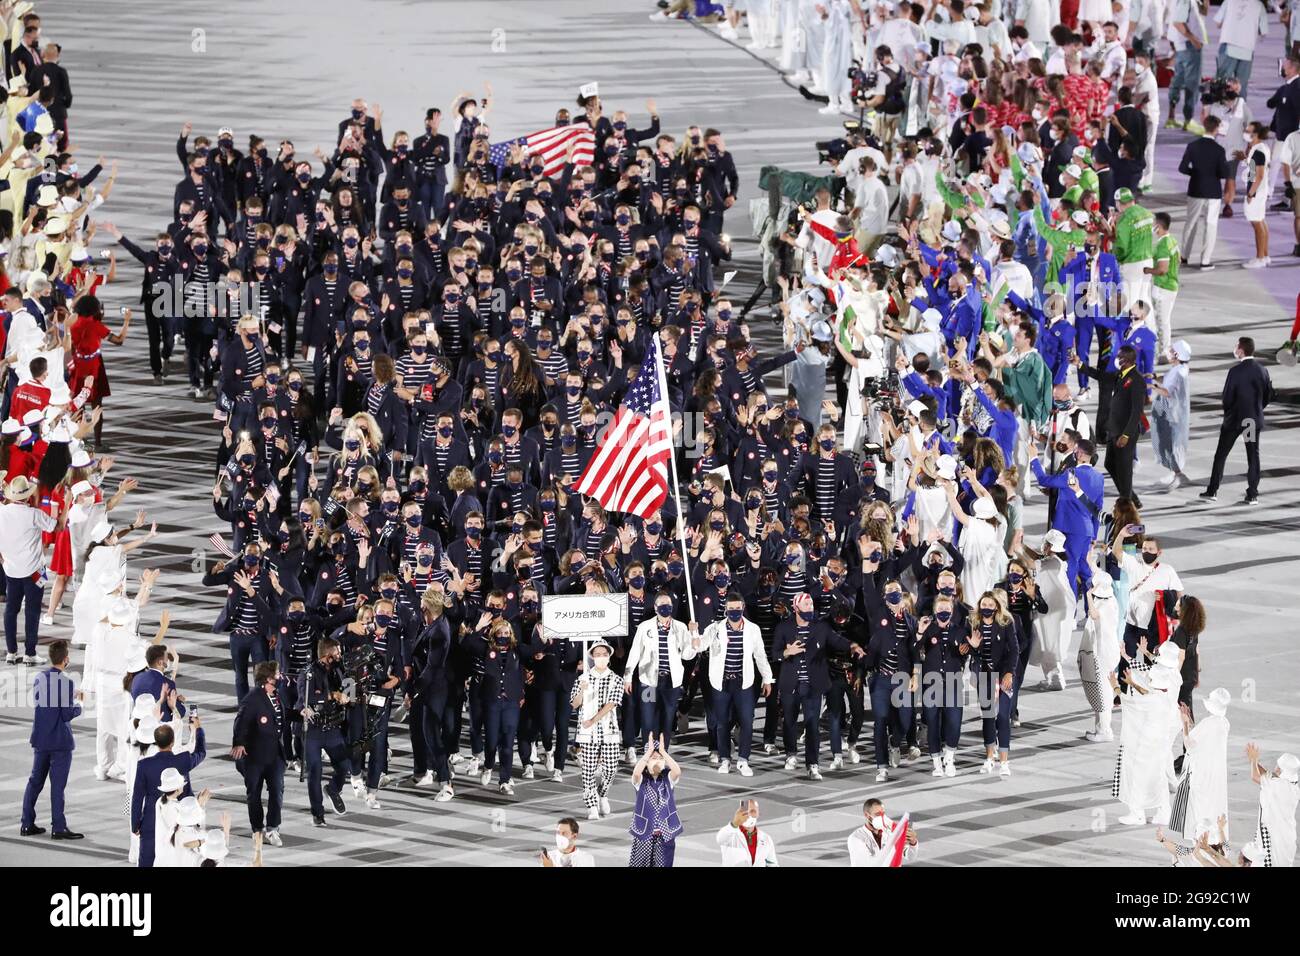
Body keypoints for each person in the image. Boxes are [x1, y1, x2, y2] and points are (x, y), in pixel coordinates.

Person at [699, 592, 774, 777]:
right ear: (725, 609)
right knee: (721, 723)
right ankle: (725, 759)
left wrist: (767, 678)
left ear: (742, 608)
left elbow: (760, 655)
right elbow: (699, 646)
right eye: (730, 609)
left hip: (744, 682)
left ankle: (743, 760)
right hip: (721, 682)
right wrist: (694, 633)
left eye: (737, 609)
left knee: (747, 721)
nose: (734, 612)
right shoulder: (715, 628)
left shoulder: (753, 629)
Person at [19, 640, 84, 840]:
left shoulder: (39, 677)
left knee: (34, 782)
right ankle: (58, 827)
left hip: (41, 739)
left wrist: (66, 697)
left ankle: (27, 824)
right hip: (60, 742)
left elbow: (46, 701)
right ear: (66, 659)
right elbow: (66, 714)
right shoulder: (67, 682)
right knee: (57, 786)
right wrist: (78, 704)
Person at [1199, 336, 1272, 504]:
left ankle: (1212, 490)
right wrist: (1257, 409)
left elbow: (1227, 397)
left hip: (1234, 421)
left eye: (1236, 346)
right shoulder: (1262, 370)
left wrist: (1228, 414)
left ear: (1241, 350)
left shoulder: (1235, 371)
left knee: (1221, 455)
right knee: (1253, 456)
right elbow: (1268, 395)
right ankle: (1252, 494)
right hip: (1251, 420)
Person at [131, 718, 207, 867]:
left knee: (147, 861)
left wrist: (136, 824)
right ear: (172, 742)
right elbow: (201, 752)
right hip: (178, 822)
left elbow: (137, 797)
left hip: (151, 821)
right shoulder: (183, 760)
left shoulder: (144, 765)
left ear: (156, 741)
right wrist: (198, 730)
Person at [0, 475, 58, 665]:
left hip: (11, 569)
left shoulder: (1, 512)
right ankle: (30, 653)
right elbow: (54, 526)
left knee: (10, 610)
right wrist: (61, 506)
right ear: (27, 496)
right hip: (34, 570)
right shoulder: (33, 514)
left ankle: (11, 652)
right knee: (32, 612)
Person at [230, 660, 287, 848]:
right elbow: (241, 722)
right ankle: (257, 829)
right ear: (269, 678)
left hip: (274, 756)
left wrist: (298, 713)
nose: (280, 676)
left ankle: (272, 828)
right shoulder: (253, 699)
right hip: (254, 758)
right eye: (277, 674)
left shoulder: (276, 696)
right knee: (254, 794)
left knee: (277, 792)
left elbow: (280, 717)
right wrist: (238, 742)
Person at [300, 636, 353, 827]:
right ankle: (318, 813)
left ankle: (333, 788)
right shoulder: (308, 674)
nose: (340, 655)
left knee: (344, 766)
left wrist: (351, 693)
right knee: (315, 771)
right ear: (326, 655)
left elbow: (351, 695)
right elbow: (303, 701)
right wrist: (332, 695)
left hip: (333, 729)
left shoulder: (341, 670)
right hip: (314, 730)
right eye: (336, 652)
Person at [571, 638, 624, 820]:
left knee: (610, 768)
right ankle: (591, 805)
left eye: (604, 654)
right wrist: (581, 691)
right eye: (597, 654)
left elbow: (612, 703)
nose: (601, 657)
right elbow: (574, 704)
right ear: (592, 657)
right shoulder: (583, 678)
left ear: (609, 656)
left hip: (608, 729)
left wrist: (593, 719)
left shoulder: (616, 679)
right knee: (588, 770)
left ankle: (603, 793)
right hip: (587, 733)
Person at [1169, 687, 1230, 844]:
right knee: (1213, 806)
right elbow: (1201, 738)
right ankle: (1213, 840)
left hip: (1201, 774)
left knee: (1199, 809)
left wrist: (1184, 723)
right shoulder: (1224, 723)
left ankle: (1200, 842)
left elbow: (1189, 744)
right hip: (1216, 774)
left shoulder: (1208, 723)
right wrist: (1189, 720)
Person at [1177, 115, 1231, 269]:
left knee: (1190, 223)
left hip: (1195, 189)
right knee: (1210, 224)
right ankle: (1205, 261)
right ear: (1216, 128)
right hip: (1213, 191)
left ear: (1205, 126)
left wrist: (1195, 173)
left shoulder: (1193, 146)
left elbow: (1182, 168)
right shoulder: (1219, 150)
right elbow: (1224, 173)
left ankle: (1184, 256)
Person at [629, 732, 682, 867]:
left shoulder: (667, 779)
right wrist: (648, 753)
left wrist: (663, 752)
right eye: (653, 758)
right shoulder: (641, 780)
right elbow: (636, 773)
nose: (656, 761)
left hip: (665, 835)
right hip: (645, 834)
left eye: (660, 758)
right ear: (646, 762)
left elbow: (677, 771)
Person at [1078, 572, 1121, 741]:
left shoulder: (1105, 604)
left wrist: (1088, 596)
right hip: (1106, 651)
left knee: (1103, 691)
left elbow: (1094, 615)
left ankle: (1104, 731)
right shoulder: (1109, 600)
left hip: (1104, 653)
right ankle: (1100, 728)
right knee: (1101, 690)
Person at [1244, 745, 1299, 868]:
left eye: (1277, 766)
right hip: (1286, 838)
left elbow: (1256, 777)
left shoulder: (1277, 786)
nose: (1275, 768)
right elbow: (1270, 775)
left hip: (1274, 837)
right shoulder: (1293, 785)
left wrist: (1253, 760)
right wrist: (1254, 761)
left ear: (1280, 770)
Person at [1151, 340, 1192, 489]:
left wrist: (1152, 386)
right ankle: (1174, 472)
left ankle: (1178, 474)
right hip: (1173, 413)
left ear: (1177, 354)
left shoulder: (1179, 372)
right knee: (1168, 443)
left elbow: (1167, 391)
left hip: (1172, 414)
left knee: (1169, 444)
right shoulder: (1179, 368)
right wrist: (1156, 377)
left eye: (1171, 350)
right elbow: (1168, 380)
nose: (1168, 352)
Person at [1238, 122, 1272, 268]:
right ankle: (1264, 255)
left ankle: (1259, 258)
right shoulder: (1260, 148)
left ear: (1256, 134)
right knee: (1261, 221)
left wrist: (1251, 194)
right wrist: (1245, 160)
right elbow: (1254, 167)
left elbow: (1258, 175)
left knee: (1257, 224)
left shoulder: (1258, 151)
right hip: (1260, 191)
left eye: (1248, 130)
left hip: (1256, 191)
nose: (1245, 132)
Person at [846, 797, 918, 866]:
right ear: (867, 815)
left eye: (883, 814)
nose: (882, 818)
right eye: (877, 814)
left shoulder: (890, 833)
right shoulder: (856, 838)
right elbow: (867, 865)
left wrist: (913, 843)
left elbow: (910, 857)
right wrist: (891, 845)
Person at [716, 797, 779, 866]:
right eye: (745, 811)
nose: (748, 815)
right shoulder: (731, 834)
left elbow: (773, 864)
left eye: (752, 811)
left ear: (758, 814)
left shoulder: (766, 839)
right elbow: (720, 839)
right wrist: (735, 823)